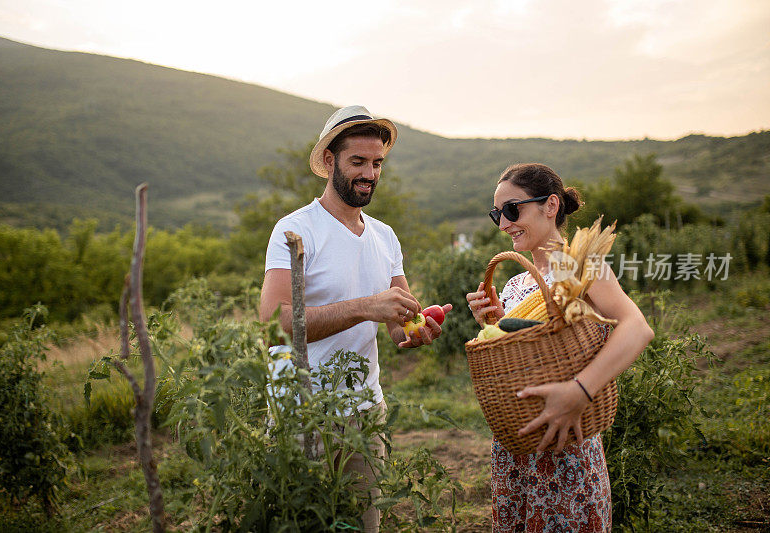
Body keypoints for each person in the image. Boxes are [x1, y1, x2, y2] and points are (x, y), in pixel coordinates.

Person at [259, 105, 451, 532]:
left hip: (366, 411)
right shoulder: (296, 230)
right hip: (302, 411)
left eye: (377, 163)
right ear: (330, 161)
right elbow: (274, 323)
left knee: (364, 524)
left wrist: (416, 329)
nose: (369, 173)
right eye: (358, 162)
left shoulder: (385, 236)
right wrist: (364, 306)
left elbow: (399, 318)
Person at [465, 163, 654, 532]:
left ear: (550, 206)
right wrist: (496, 323)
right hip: (518, 449)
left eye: (512, 210)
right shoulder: (517, 282)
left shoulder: (581, 267)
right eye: (496, 214)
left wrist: (579, 390)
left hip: (567, 448)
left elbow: (637, 328)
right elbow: (531, 353)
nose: (503, 224)